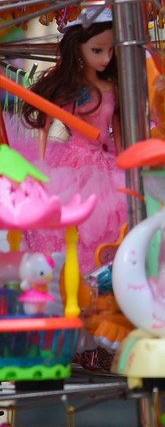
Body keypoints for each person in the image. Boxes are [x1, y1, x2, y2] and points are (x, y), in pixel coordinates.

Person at [11, 16, 126, 265]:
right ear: (78, 49)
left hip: (104, 160)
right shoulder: (68, 88)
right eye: (98, 50)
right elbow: (44, 126)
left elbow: (116, 129)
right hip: (70, 160)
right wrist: (42, 164)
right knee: (68, 217)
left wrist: (123, 157)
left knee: (108, 216)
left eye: (111, 50)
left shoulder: (111, 88)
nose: (106, 58)